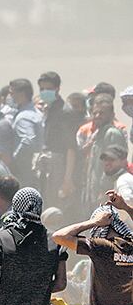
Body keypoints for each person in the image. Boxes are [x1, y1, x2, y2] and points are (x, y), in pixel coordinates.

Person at [36, 72, 82, 206]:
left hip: (59, 167)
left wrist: (67, 178)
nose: (44, 92)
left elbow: (70, 148)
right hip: (47, 167)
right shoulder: (48, 110)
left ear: (57, 88)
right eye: (42, 89)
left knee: (57, 207)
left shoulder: (64, 112)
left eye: (48, 89)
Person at [76, 94, 128, 210]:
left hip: (105, 194)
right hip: (94, 194)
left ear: (112, 115)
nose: (97, 116)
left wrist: (103, 191)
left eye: (102, 113)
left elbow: (114, 166)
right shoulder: (98, 134)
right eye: (95, 113)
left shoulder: (112, 133)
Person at [9, 79, 45, 178]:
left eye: (12, 93)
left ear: (21, 94)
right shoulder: (36, 112)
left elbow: (27, 140)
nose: (10, 97)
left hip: (24, 169)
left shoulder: (24, 117)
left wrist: (14, 160)